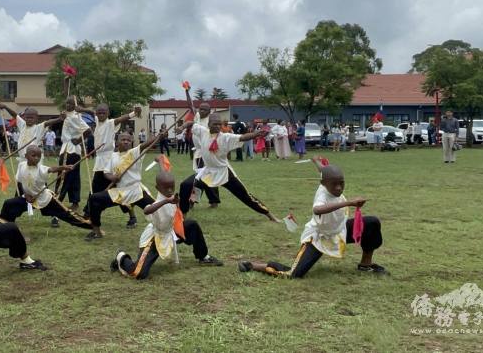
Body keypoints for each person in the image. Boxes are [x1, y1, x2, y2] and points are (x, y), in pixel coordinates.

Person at [238, 163, 386, 278]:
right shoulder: (321, 195)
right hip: (318, 237)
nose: (339, 188)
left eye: (341, 183)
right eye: (334, 184)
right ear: (323, 183)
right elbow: (317, 210)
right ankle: (254, 265)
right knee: (294, 274)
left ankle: (366, 264)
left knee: (372, 223)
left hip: (339, 230)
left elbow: (323, 170)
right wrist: (348, 203)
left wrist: (317, 162)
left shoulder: (327, 180)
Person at [110, 167, 223, 279]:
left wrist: (177, 204)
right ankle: (122, 257)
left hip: (171, 231)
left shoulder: (173, 197)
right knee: (139, 273)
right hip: (156, 237)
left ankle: (203, 256)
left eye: (172, 187)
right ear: (157, 188)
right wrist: (166, 201)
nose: (169, 190)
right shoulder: (158, 202)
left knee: (192, 225)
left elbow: (177, 215)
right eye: (166, 188)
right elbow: (146, 210)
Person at [178, 113, 280, 221]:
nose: (217, 126)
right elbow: (190, 123)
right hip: (207, 172)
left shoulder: (226, 137)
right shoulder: (203, 131)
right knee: (186, 185)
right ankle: (183, 214)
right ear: (209, 124)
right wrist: (181, 127)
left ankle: (269, 215)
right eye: (215, 124)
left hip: (224, 172)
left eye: (219, 124)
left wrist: (256, 134)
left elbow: (242, 137)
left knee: (245, 196)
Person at [84, 131, 163, 241]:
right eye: (123, 140)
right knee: (94, 199)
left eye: (128, 140)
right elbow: (106, 172)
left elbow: (145, 144)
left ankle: (168, 231)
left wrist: (158, 137)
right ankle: (96, 231)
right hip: (120, 192)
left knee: (159, 209)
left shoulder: (134, 153)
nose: (126, 142)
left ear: (131, 142)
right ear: (117, 142)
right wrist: (113, 178)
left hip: (136, 191)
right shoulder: (113, 156)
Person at [0, 146, 92, 230]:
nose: (36, 158)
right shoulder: (21, 165)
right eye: (33, 155)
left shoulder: (40, 168)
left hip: (45, 200)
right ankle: (4, 227)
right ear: (26, 155)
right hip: (29, 199)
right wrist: (26, 194)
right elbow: (19, 182)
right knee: (9, 204)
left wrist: (63, 167)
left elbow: (51, 169)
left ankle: (91, 225)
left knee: (67, 215)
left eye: (39, 156)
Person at [89, 103, 141, 228]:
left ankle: (132, 216)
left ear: (108, 114)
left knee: (119, 191)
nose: (101, 114)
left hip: (109, 161)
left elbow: (121, 118)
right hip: (99, 161)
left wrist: (133, 113)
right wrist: (80, 109)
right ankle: (89, 214)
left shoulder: (110, 123)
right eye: (99, 112)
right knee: (95, 190)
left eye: (103, 113)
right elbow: (90, 112)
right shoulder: (97, 121)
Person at [54, 96, 91, 212]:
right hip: (74, 151)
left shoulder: (75, 116)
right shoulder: (67, 114)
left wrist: (79, 140)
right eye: (67, 103)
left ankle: (57, 201)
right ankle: (75, 202)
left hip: (69, 150)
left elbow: (89, 131)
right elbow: (65, 92)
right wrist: (66, 80)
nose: (68, 105)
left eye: (71, 104)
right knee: (74, 177)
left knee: (63, 177)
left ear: (75, 106)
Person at [0, 102, 64, 162]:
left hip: (34, 160)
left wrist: (59, 119)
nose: (29, 119)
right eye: (27, 117)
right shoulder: (22, 125)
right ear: (24, 117)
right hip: (22, 159)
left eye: (32, 118)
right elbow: (15, 115)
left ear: (36, 119)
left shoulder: (38, 128)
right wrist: (5, 107)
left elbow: (47, 123)